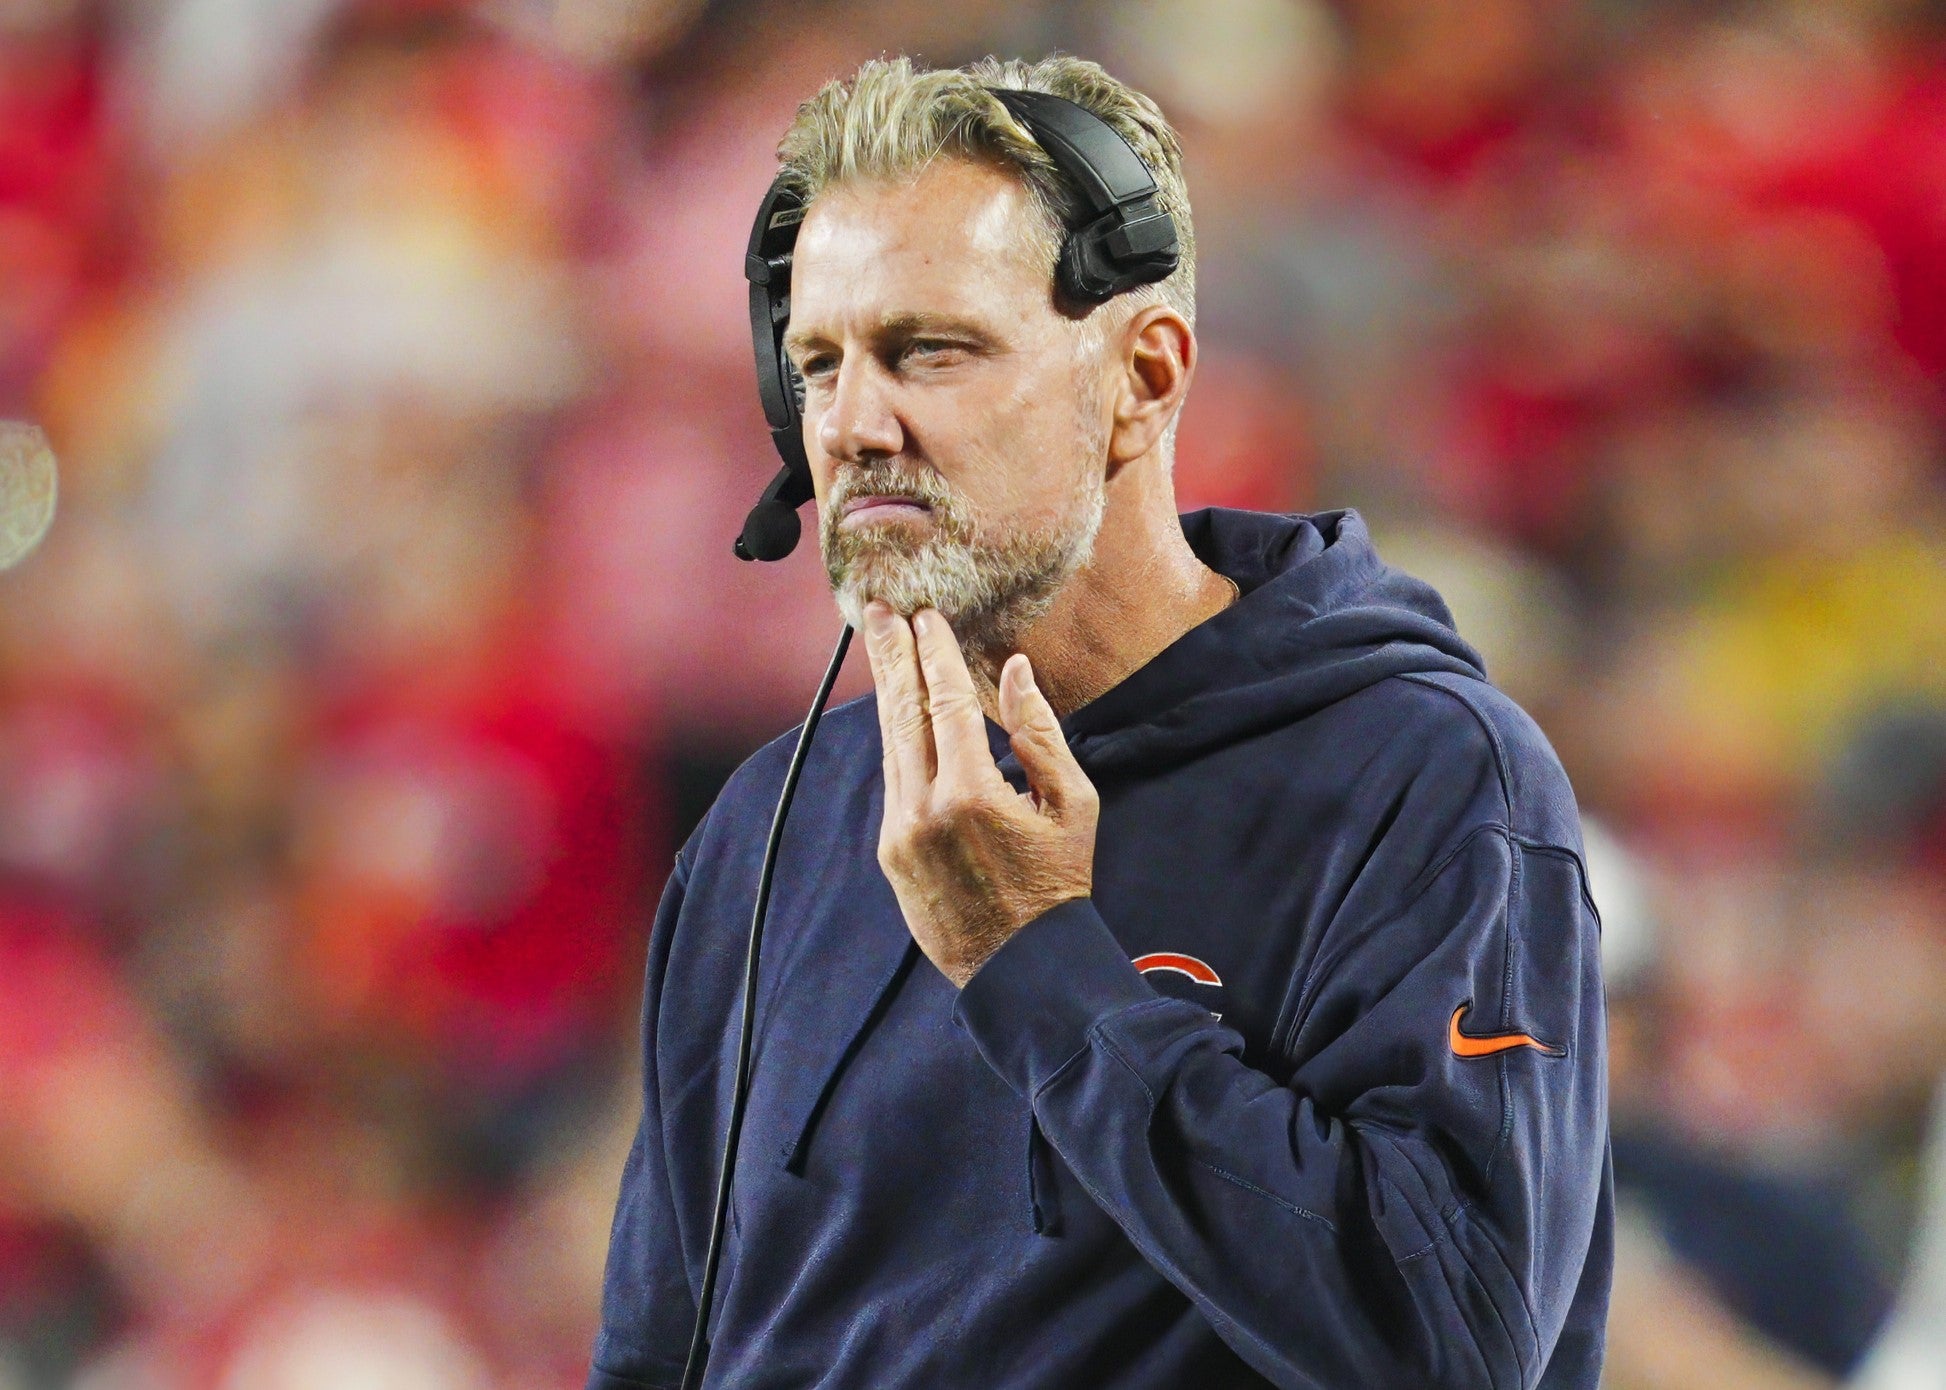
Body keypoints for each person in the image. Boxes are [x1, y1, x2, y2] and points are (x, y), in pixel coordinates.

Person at [588, 53, 1610, 1390]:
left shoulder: (1417, 773)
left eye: (928, 350)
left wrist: (1034, 957)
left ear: (1141, 376)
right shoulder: (771, 822)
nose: (850, 424)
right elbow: (659, 1351)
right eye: (817, 365)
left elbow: (1451, 1345)